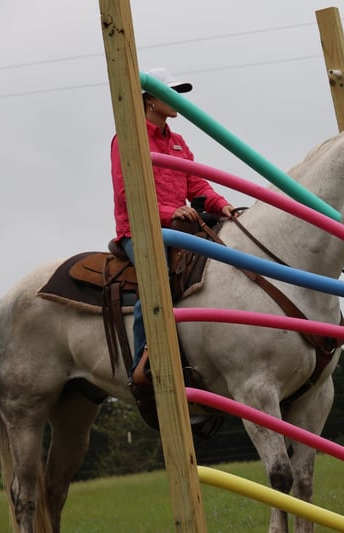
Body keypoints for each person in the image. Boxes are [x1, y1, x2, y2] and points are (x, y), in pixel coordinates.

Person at [111, 67, 233, 386]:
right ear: (150, 100)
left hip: (178, 227)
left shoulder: (177, 141)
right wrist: (170, 213)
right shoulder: (127, 139)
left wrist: (222, 205)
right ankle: (144, 364)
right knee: (158, 282)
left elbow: (197, 184)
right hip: (139, 230)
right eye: (171, 93)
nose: (178, 99)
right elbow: (127, 193)